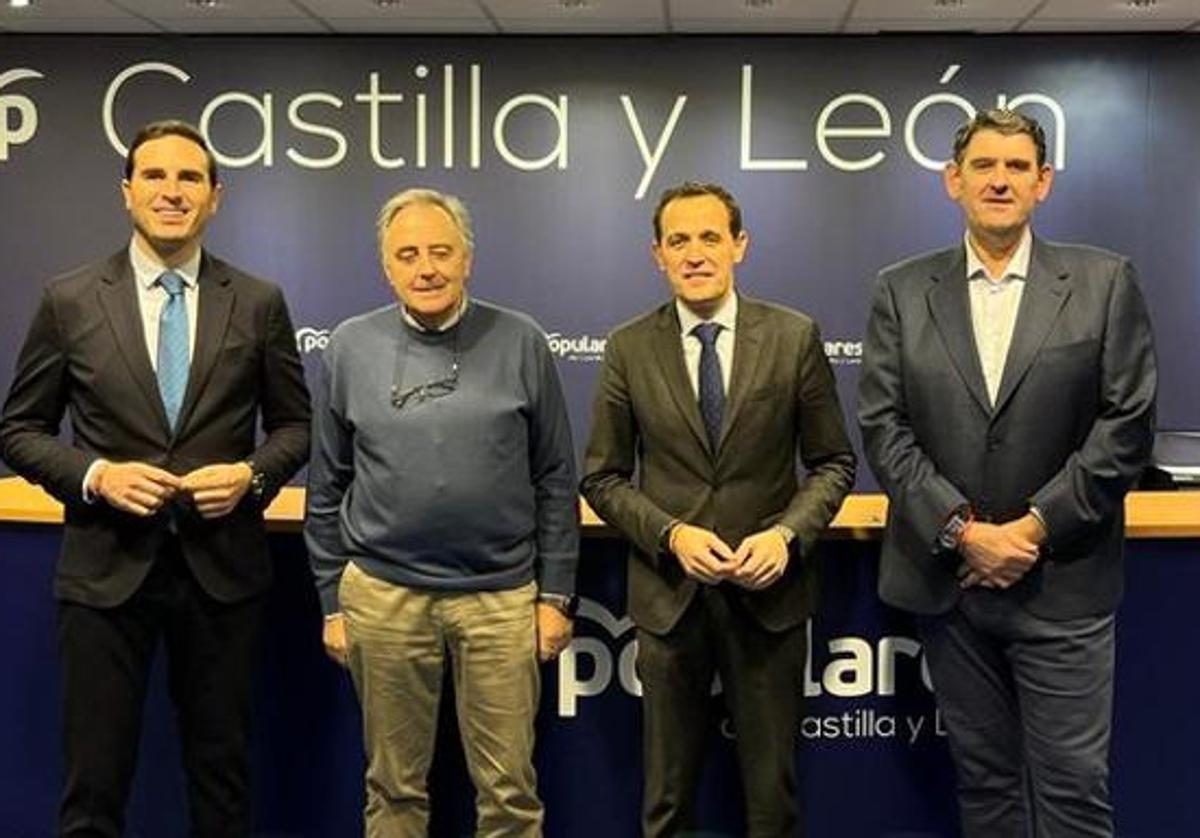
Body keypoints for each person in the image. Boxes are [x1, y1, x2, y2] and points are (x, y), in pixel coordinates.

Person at [0, 119, 311, 837]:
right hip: (104, 574)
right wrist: (97, 475)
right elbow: (18, 431)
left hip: (223, 576)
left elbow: (295, 427)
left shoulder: (259, 301)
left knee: (221, 781)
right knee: (93, 787)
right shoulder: (69, 299)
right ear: (127, 192)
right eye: (156, 177)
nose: (172, 192)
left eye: (189, 179)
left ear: (215, 197)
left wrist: (249, 475)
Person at [857, 109, 1157, 837]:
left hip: (1063, 586)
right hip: (950, 590)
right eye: (984, 166)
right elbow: (883, 426)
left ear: (1043, 182)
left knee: (1074, 791)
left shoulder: (1104, 281)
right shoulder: (901, 289)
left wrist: (1032, 528)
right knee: (985, 788)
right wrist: (963, 531)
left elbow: (1126, 425)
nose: (1000, 180)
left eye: (1017, 167)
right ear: (952, 181)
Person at [580, 181, 856, 838]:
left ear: (740, 245)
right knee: (667, 799)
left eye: (710, 237)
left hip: (771, 596)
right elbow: (603, 476)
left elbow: (834, 463)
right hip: (670, 598)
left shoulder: (793, 337)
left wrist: (787, 536)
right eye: (679, 240)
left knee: (772, 799)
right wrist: (670, 535)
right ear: (658, 255)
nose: (695, 253)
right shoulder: (628, 346)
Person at [305, 187, 579, 837]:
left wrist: (557, 595)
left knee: (510, 792)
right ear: (386, 266)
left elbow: (554, 477)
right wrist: (332, 602)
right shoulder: (348, 346)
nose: (425, 267)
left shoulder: (522, 341)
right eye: (407, 254)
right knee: (393, 790)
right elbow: (326, 485)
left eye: (440, 252)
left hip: (502, 598)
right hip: (382, 595)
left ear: (467, 260)